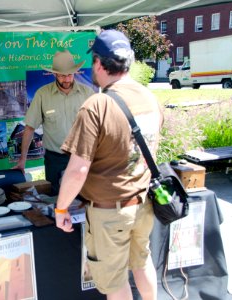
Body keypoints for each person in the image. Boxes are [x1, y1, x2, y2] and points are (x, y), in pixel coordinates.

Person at [55, 30, 162, 300]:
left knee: (114, 281)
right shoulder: (150, 97)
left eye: (93, 62)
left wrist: (61, 208)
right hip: (142, 203)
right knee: (141, 262)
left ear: (100, 64)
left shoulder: (97, 105)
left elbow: (78, 169)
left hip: (110, 213)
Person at [13, 50, 94, 194]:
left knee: (85, 198)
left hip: (82, 158)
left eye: (70, 74)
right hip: (55, 160)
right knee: (56, 200)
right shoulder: (42, 94)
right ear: (54, 74)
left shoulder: (87, 93)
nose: (67, 79)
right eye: (62, 75)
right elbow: (30, 127)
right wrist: (22, 159)